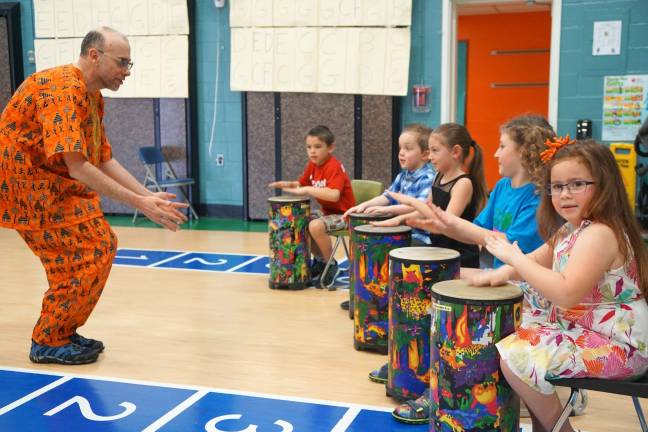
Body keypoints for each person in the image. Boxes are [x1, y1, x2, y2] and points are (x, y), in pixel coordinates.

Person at [0, 27, 189, 365]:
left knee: (100, 245)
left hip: (55, 185)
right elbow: (79, 167)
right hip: (28, 189)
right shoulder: (62, 89)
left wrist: (147, 195)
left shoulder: (92, 97)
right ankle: (48, 339)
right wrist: (139, 203)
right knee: (86, 253)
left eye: (130, 64)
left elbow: (102, 157)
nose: (127, 72)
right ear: (94, 56)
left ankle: (61, 329)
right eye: (122, 63)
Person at [385, 114, 555, 424]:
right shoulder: (504, 187)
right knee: (430, 284)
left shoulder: (536, 198)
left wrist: (446, 222)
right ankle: (422, 370)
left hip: (527, 284)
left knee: (446, 296)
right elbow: (475, 231)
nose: (495, 153)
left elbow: (507, 248)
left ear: (525, 152)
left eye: (502, 146)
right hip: (504, 279)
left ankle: (449, 386)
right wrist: (440, 222)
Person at [471, 139, 648, 432]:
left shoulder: (601, 234)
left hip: (620, 346)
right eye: (557, 186)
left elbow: (566, 293)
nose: (565, 194)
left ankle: (561, 429)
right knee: (509, 323)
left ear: (604, 184)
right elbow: (532, 263)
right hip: (586, 331)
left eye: (577, 184)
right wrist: (491, 276)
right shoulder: (572, 229)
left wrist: (515, 258)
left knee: (517, 357)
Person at [365, 122, 487, 390]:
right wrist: (394, 218)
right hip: (438, 254)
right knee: (419, 314)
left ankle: (436, 371)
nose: (430, 157)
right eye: (429, 151)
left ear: (455, 152)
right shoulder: (437, 178)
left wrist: (407, 211)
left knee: (442, 321)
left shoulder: (463, 183)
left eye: (434, 151)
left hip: (459, 257)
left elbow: (446, 221)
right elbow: (424, 213)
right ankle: (410, 365)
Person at [268, 125, 355, 288]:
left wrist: (307, 189)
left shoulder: (333, 166)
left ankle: (331, 265)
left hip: (345, 215)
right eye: (309, 147)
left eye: (317, 147)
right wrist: (288, 184)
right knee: (299, 223)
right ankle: (321, 262)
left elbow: (334, 194)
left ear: (330, 148)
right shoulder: (312, 165)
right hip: (327, 213)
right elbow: (301, 183)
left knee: (315, 226)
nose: (312, 151)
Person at [343, 123, 435, 246]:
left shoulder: (427, 178)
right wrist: (363, 206)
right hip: (399, 230)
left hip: (418, 236)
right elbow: (387, 197)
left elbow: (418, 207)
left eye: (407, 149)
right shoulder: (402, 175)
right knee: (365, 240)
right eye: (400, 148)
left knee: (379, 246)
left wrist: (386, 210)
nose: (401, 153)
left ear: (425, 154)